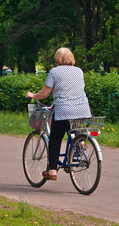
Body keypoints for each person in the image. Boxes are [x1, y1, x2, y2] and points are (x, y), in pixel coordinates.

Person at [26, 47, 92, 180]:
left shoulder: (54, 72)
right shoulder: (79, 71)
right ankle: (79, 143)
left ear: (57, 59)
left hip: (64, 110)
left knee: (55, 139)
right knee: (74, 129)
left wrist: (33, 95)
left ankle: (52, 171)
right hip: (83, 110)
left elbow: (44, 93)